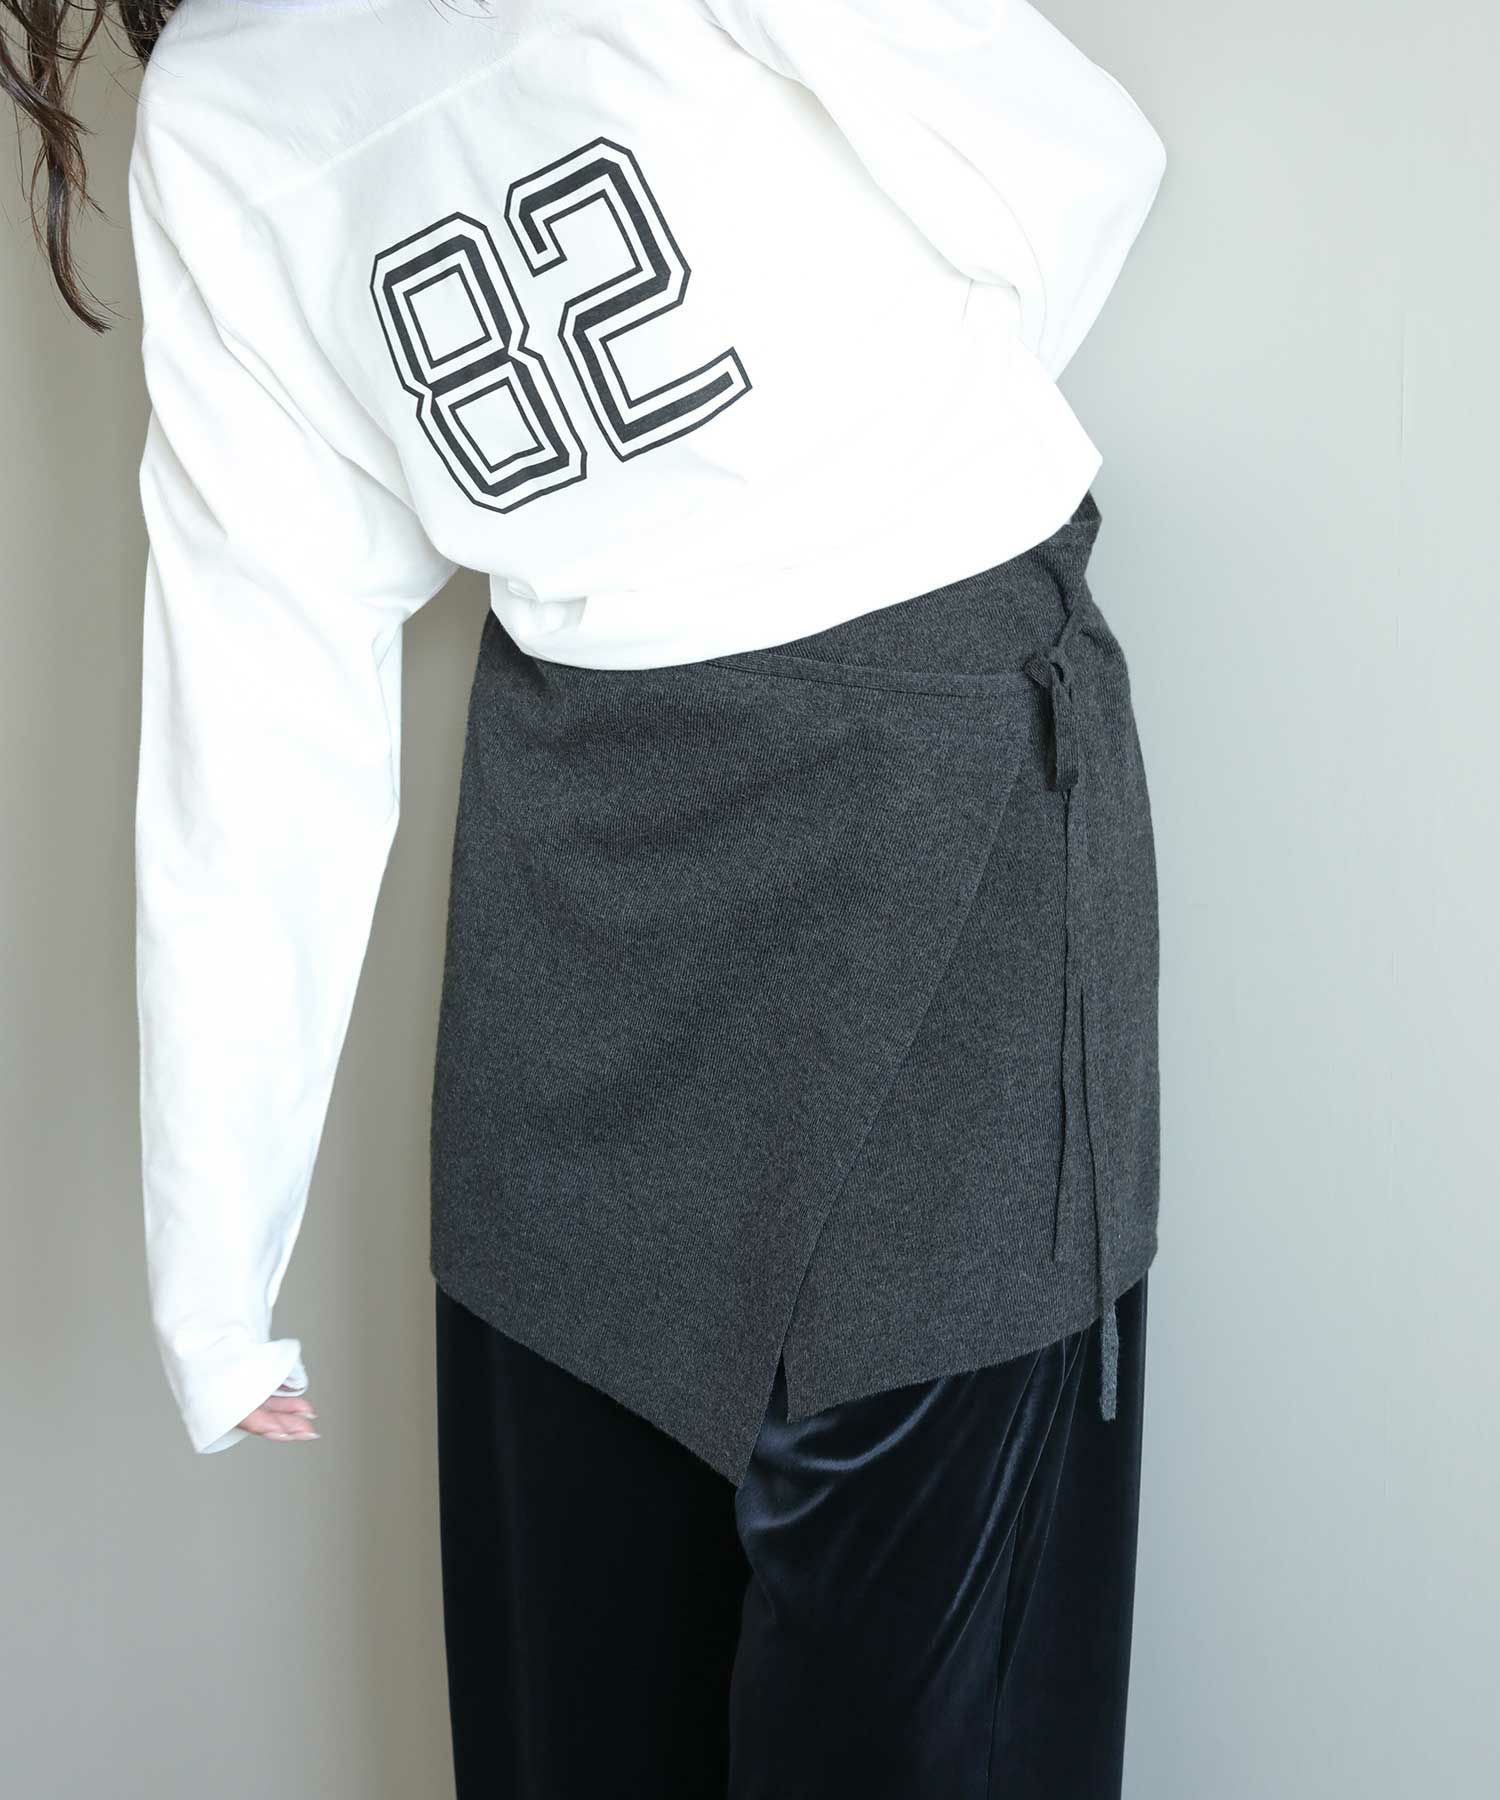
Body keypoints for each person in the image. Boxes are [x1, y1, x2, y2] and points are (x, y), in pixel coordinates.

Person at [7, 0, 1167, 1791]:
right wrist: (213, 1271)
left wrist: (873, 502)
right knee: (603, 1706)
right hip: (592, 879)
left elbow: (1072, 163)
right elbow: (256, 677)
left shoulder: (227, 109)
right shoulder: (226, 112)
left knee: (897, 1709)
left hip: (919, 851)